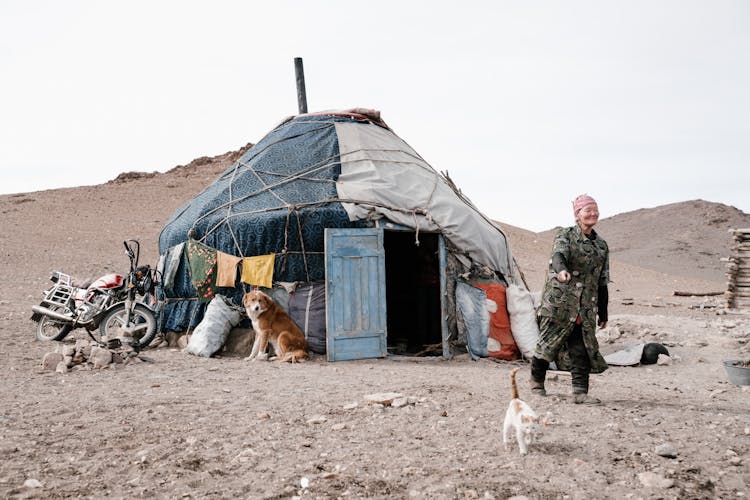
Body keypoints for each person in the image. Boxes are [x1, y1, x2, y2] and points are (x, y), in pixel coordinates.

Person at [530, 194, 610, 405]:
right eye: (587, 210)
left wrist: (603, 312)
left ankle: (580, 392)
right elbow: (558, 255)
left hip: (585, 306)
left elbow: (602, 280)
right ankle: (537, 383)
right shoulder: (565, 235)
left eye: (595, 209)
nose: (592, 213)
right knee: (548, 343)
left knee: (581, 347)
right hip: (560, 302)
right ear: (577, 214)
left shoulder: (601, 246)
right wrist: (562, 270)